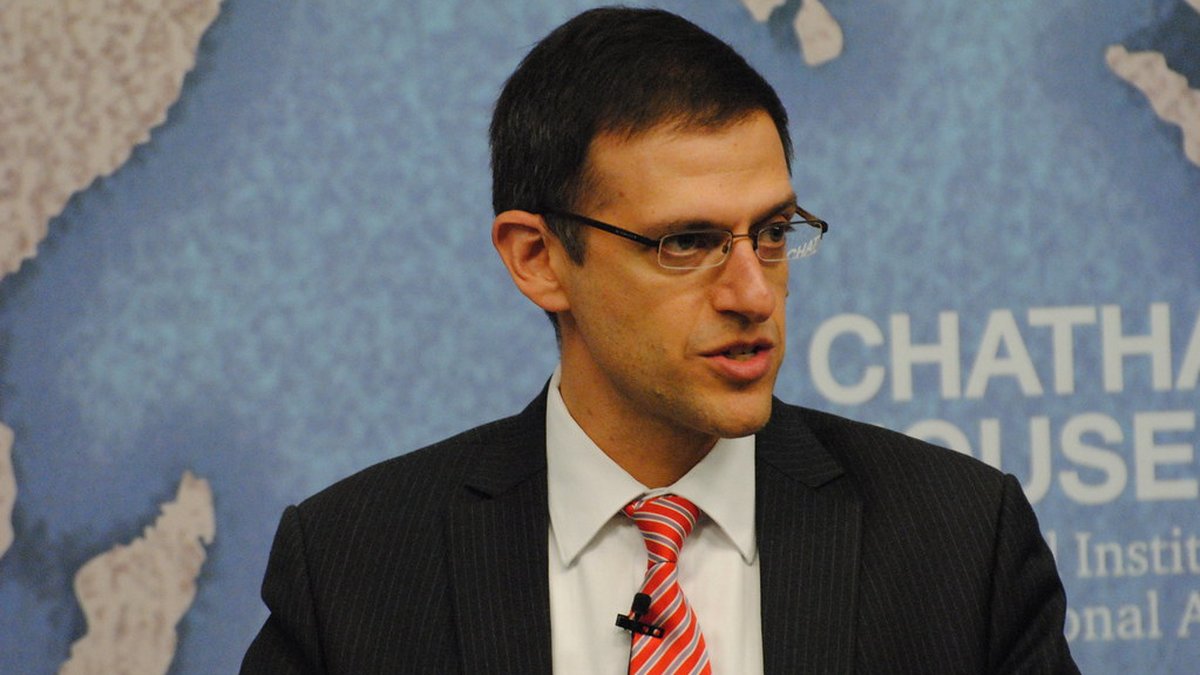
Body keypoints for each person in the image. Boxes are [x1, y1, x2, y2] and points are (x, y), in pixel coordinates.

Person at [242, 7, 1078, 674]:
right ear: (538, 259)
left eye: (773, 233)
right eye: (685, 242)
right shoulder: (355, 569)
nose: (753, 293)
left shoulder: (958, 543)